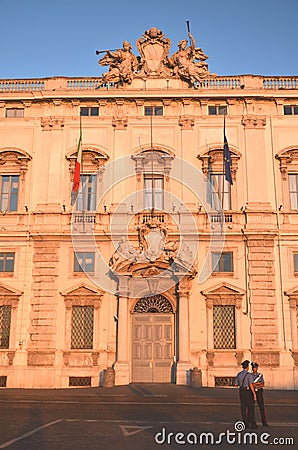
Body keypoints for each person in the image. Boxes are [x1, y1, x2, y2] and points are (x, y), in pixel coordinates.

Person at [235, 360, 257, 429]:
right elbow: (251, 385)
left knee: (243, 407)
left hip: (241, 391)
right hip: (247, 392)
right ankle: (252, 423)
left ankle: (245, 423)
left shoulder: (239, 374)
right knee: (250, 408)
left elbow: (236, 384)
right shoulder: (249, 375)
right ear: (247, 367)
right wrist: (254, 394)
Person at [251, 362, 268, 427]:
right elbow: (251, 384)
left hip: (259, 392)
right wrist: (257, 384)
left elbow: (263, 384)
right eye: (253, 367)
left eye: (255, 367)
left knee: (262, 407)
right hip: (252, 392)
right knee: (251, 407)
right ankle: (252, 421)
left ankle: (264, 422)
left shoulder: (260, 375)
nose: (254, 369)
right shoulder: (250, 375)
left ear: (257, 368)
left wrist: (256, 385)